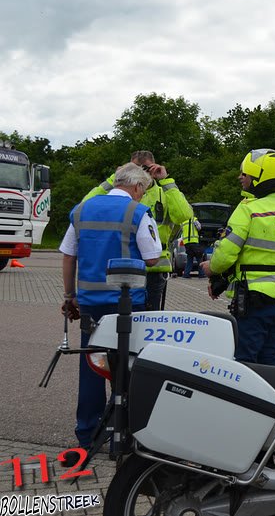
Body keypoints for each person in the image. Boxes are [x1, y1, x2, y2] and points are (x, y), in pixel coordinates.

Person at [60, 162, 162, 465]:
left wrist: (69, 296)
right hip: (128, 305)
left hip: (91, 304)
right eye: (142, 191)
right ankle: (127, 433)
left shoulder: (82, 210)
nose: (141, 197)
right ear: (136, 187)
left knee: (92, 368)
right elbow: (153, 258)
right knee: (129, 369)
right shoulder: (137, 213)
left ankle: (87, 434)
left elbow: (68, 255)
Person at [200, 149, 275, 366]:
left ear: (261, 178)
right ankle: (274, 398)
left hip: (255, 299)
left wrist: (212, 268)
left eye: (245, 174)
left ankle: (246, 401)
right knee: (271, 359)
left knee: (245, 362)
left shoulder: (249, 209)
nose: (241, 178)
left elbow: (226, 255)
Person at [84, 150, 193, 310]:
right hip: (124, 266)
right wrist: (115, 178)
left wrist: (167, 181)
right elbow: (86, 206)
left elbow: (184, 214)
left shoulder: (164, 192)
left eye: (145, 168)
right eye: (134, 169)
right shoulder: (119, 192)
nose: (139, 174)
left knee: (149, 319)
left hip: (154, 269)